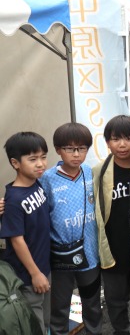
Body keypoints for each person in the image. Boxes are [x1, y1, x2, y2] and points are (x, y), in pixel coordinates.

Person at [39, 123, 102, 335]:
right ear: (58, 149)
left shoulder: (90, 172)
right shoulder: (46, 179)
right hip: (61, 256)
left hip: (90, 252)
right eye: (69, 149)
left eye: (82, 148)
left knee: (92, 303)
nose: (76, 154)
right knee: (60, 305)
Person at [93, 115, 130, 334]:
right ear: (107, 142)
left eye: (128, 138)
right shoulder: (98, 171)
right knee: (115, 303)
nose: (122, 144)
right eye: (116, 139)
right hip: (113, 248)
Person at [0, 132, 51, 334]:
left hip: (44, 266)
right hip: (28, 275)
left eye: (43, 157)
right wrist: (35, 273)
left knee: (45, 319)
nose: (40, 164)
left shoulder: (36, 184)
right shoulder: (13, 199)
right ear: (15, 163)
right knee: (33, 324)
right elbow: (17, 240)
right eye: (32, 159)